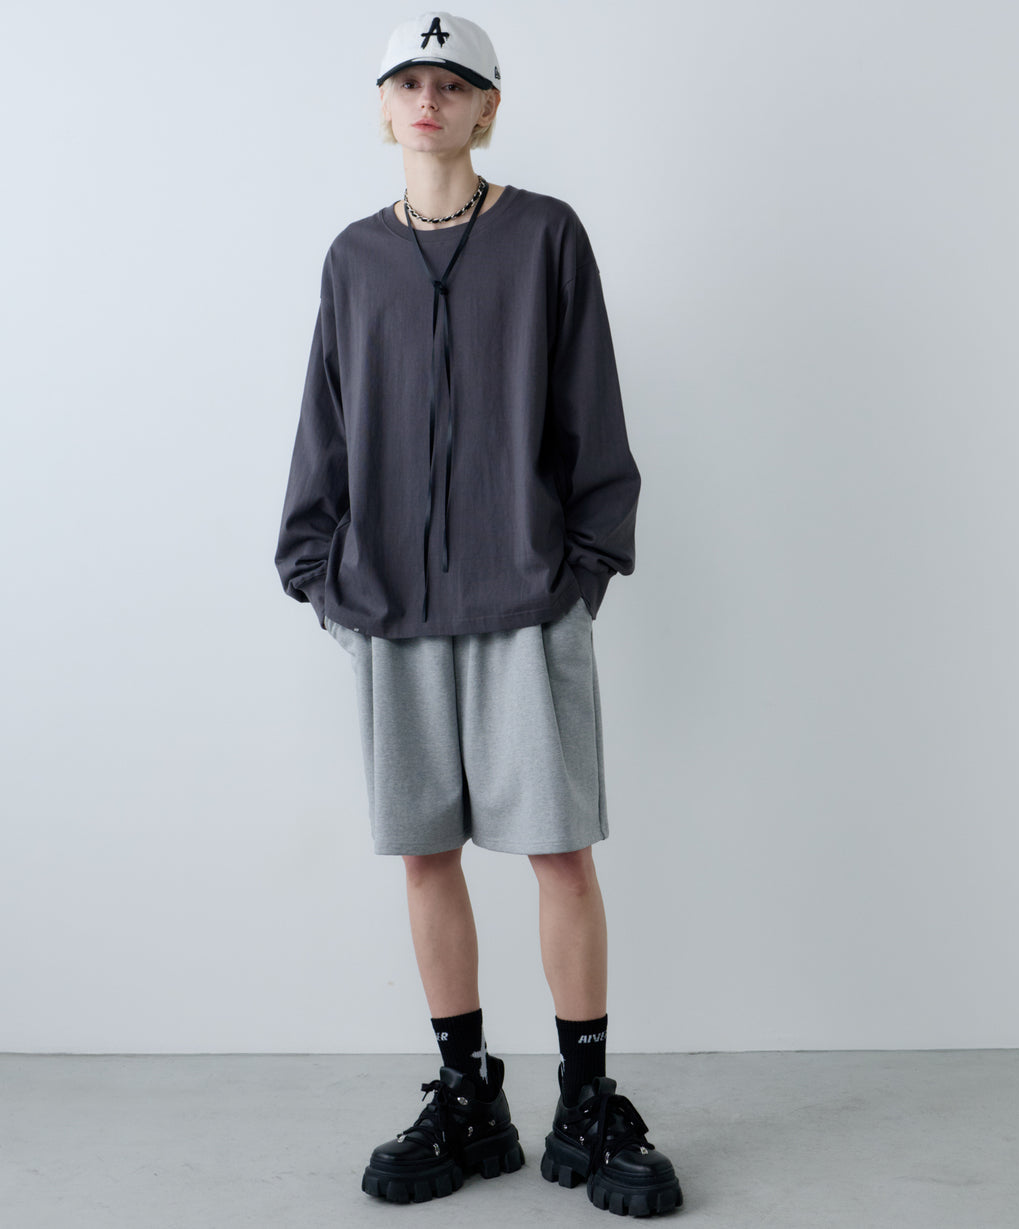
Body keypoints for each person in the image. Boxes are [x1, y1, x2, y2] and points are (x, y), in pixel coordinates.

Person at [274, 11, 683, 1218]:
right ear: (382, 106)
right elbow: (324, 420)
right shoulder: (355, 258)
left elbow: (591, 410)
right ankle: (468, 1098)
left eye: (452, 83)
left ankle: (587, 1100)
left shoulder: (546, 236)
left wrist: (582, 566)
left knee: (559, 851)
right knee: (426, 854)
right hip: (390, 605)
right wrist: (321, 570)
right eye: (408, 81)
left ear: (487, 108)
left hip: (525, 598)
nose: (428, 99)